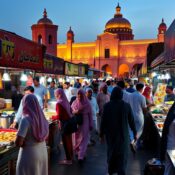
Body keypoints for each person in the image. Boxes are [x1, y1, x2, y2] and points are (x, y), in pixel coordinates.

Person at [100, 87, 137, 175]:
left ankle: (111, 171)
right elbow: (131, 121)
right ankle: (121, 172)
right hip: (123, 136)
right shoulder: (126, 105)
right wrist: (135, 132)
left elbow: (103, 121)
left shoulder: (107, 106)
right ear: (121, 95)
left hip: (111, 136)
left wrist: (101, 135)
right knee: (122, 156)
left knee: (112, 153)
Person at [15, 94, 49, 175]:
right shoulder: (42, 118)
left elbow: (18, 143)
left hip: (29, 154)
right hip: (42, 151)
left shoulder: (25, 120)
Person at [71, 89, 93, 164]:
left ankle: (81, 155)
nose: (79, 96)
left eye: (81, 94)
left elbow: (90, 115)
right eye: (78, 94)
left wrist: (91, 124)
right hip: (77, 123)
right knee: (76, 137)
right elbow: (71, 111)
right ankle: (78, 152)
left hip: (85, 123)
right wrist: (76, 112)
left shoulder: (87, 104)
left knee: (84, 138)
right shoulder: (75, 102)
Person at [54, 88, 73, 165]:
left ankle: (68, 160)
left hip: (64, 124)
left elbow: (59, 116)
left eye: (56, 94)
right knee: (69, 141)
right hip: (69, 123)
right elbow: (70, 111)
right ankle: (70, 157)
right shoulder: (66, 101)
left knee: (65, 141)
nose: (55, 95)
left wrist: (52, 117)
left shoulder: (59, 103)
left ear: (59, 94)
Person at [129, 83, 147, 147]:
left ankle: (132, 140)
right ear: (141, 89)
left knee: (131, 129)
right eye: (143, 88)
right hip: (139, 116)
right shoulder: (142, 97)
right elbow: (144, 108)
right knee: (139, 130)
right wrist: (145, 114)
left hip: (131, 115)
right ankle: (134, 142)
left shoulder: (130, 95)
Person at [160, 102, 175, 175]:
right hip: (172, 147)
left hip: (168, 144)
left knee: (168, 168)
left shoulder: (171, 114)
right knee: (169, 169)